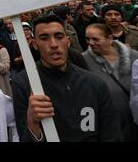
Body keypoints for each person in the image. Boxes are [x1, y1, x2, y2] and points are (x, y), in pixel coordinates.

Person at [12, 14, 123, 142]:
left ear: (68, 41)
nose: (53, 44)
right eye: (44, 38)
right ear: (35, 44)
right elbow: (25, 137)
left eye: (59, 37)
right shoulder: (23, 84)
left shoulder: (94, 83)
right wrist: (32, 123)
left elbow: (112, 134)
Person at [83, 23, 138, 141]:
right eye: (88, 39)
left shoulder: (135, 57)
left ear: (110, 39)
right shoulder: (83, 60)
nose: (90, 42)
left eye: (95, 39)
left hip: (137, 118)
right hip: (108, 122)